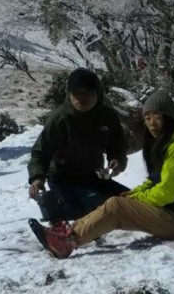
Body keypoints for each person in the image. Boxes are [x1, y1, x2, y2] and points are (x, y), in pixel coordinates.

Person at [29, 89, 174, 258]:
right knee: (117, 201)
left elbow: (165, 193)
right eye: (147, 117)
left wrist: (136, 200)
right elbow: (154, 182)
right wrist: (134, 194)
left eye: (158, 117)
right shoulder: (164, 145)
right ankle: (69, 233)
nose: (152, 123)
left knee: (116, 206)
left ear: (169, 118)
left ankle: (66, 241)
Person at [27, 67, 128, 222]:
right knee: (83, 214)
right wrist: (37, 177)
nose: (83, 98)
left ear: (97, 94)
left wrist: (117, 160)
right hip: (62, 177)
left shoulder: (107, 116)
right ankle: (53, 204)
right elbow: (41, 151)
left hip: (94, 175)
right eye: (78, 94)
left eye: (89, 93)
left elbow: (117, 145)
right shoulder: (59, 118)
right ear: (69, 94)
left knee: (128, 200)